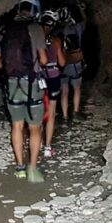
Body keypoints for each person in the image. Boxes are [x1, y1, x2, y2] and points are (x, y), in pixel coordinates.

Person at [0, 0, 49, 180]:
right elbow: (44, 60)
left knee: (16, 125)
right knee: (34, 127)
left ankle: (19, 167)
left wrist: (10, 67)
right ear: (35, 11)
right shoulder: (36, 29)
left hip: (11, 84)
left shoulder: (3, 30)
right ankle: (32, 167)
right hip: (32, 84)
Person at [38, 9, 67, 157]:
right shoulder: (56, 41)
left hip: (39, 78)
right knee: (51, 113)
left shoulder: (35, 38)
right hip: (54, 78)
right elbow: (62, 62)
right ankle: (47, 148)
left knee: (38, 111)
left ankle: (36, 143)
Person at [59, 2, 86, 122]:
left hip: (62, 63)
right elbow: (85, 21)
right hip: (76, 62)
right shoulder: (77, 28)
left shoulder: (58, 31)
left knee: (64, 90)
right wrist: (81, 10)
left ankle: (65, 116)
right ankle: (76, 112)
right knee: (77, 88)